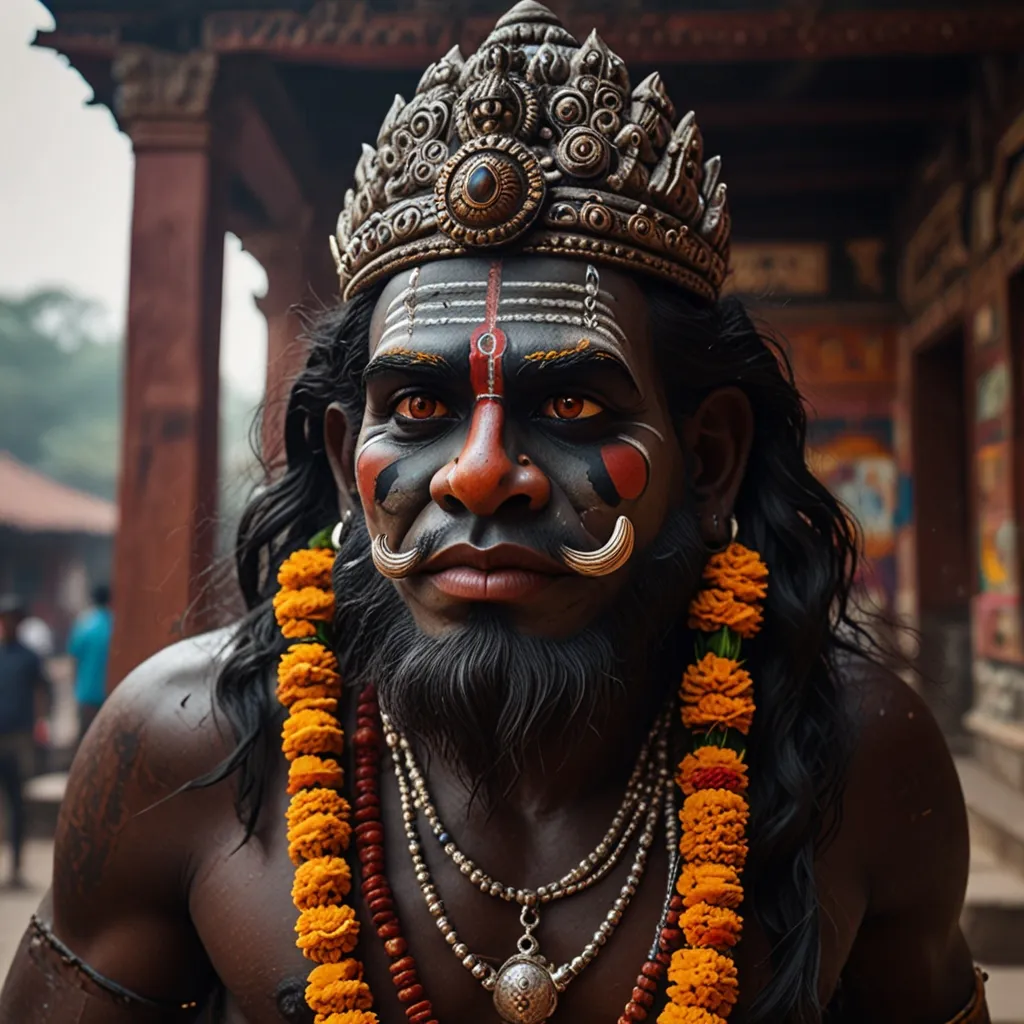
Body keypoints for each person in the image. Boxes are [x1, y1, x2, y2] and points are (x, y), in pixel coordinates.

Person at [0, 4, 990, 1022]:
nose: (478, 474)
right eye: (418, 408)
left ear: (707, 459)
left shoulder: (863, 759)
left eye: (570, 404)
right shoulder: (180, 748)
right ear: (347, 462)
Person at [0, 596, 52, 890]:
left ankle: (15, 868)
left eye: (11, 618)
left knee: (17, 804)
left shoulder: (29, 657)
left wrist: (41, 723)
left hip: (18, 739)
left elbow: (43, 692)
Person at [67, 584, 113, 742]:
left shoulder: (84, 625)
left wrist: (76, 688)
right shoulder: (115, 624)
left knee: (85, 743)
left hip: (86, 694)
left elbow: (74, 658)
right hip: (111, 694)